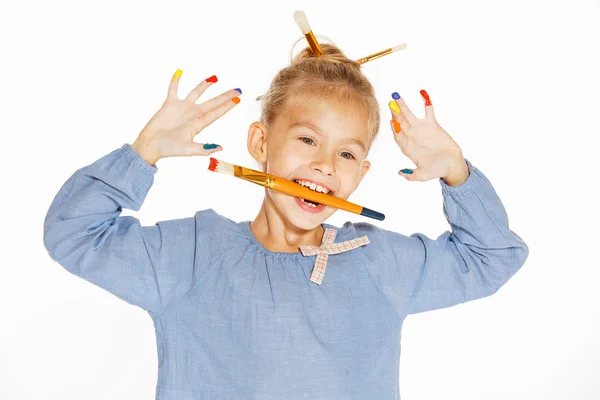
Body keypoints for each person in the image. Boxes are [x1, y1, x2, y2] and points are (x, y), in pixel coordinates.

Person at [43, 43, 529, 399]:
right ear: (260, 145)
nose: (324, 166)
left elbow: (491, 258)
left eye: (346, 153)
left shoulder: (377, 262)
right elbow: (72, 233)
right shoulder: (192, 255)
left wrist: (456, 172)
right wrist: (142, 153)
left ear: (360, 175)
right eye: (306, 140)